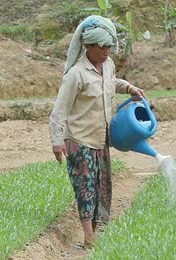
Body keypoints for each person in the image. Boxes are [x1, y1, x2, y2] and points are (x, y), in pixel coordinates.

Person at [49, 15, 146, 248]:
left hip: (101, 138)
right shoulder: (76, 74)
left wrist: (130, 87)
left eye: (109, 47)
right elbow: (59, 110)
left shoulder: (108, 65)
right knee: (85, 186)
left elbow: (112, 83)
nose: (106, 52)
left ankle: (97, 228)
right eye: (101, 47)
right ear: (88, 47)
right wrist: (57, 142)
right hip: (79, 139)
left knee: (102, 185)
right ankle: (89, 237)